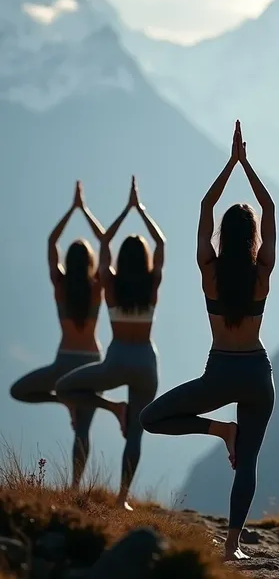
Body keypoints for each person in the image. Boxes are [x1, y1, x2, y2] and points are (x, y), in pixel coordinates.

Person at [140, 120, 276, 561]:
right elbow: (269, 209)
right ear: (252, 237)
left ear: (224, 236)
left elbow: (205, 204)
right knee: (249, 461)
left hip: (219, 373)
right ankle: (233, 546)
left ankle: (220, 429)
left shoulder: (209, 270)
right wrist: (247, 165)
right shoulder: (261, 275)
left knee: (151, 418)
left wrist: (229, 164)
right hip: (256, 373)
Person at [57, 176, 165, 510]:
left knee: (64, 387)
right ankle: (122, 498)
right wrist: (141, 210)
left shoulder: (111, 284)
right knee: (136, 433)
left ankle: (110, 409)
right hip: (146, 362)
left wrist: (124, 212)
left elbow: (104, 242)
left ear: (121, 259)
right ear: (144, 260)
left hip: (117, 360)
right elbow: (161, 245)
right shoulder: (150, 285)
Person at [11, 181, 105, 488]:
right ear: (89, 263)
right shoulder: (97, 288)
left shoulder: (61, 286)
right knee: (83, 431)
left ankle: (63, 399)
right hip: (92, 363)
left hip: (63, 363)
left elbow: (52, 242)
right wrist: (86, 211)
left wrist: (71, 210)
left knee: (20, 390)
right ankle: (76, 485)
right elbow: (105, 242)